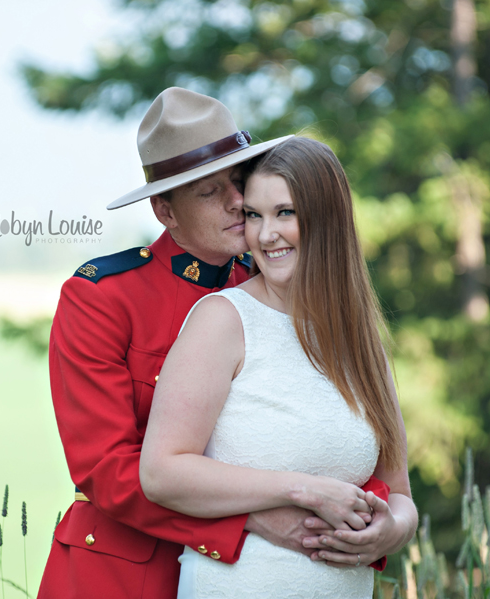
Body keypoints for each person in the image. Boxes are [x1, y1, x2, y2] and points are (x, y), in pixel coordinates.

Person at [36, 87, 320, 599]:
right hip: (125, 576)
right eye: (209, 192)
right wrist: (250, 520)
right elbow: (106, 469)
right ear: (165, 211)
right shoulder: (101, 297)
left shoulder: (281, 288)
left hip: (260, 576)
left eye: (239, 180)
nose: (238, 201)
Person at [139, 137, 418, 598]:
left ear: (327, 219)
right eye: (253, 215)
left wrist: (394, 531)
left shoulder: (361, 339)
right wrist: (302, 490)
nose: (265, 235)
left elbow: (400, 492)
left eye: (284, 213)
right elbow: (161, 472)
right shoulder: (223, 320)